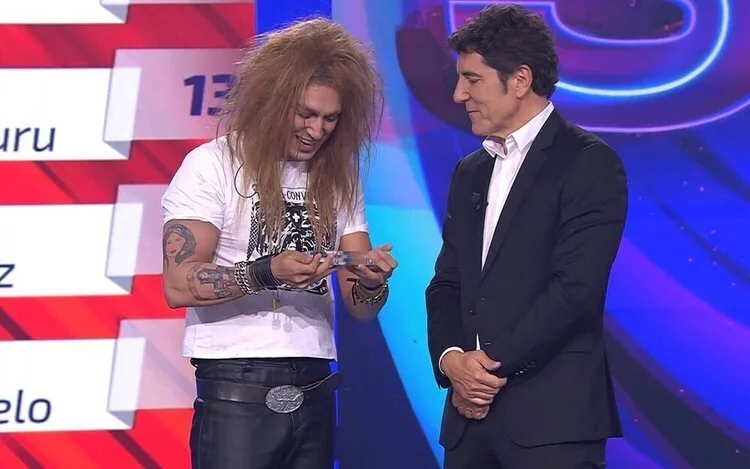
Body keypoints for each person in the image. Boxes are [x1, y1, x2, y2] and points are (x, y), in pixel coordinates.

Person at [161, 17, 396, 469]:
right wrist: (267, 271)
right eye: (305, 114)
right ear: (272, 101)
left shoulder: (339, 176)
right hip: (235, 380)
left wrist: (371, 280)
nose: (316, 130)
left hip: (316, 378)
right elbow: (178, 284)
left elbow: (361, 308)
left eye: (330, 119)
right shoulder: (211, 164)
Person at [426, 4, 627, 469]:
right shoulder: (470, 171)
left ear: (519, 80)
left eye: (472, 80)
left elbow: (575, 289)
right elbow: (447, 282)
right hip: (469, 422)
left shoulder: (588, 162)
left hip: (551, 422)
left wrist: (484, 370)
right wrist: (451, 360)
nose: (459, 94)